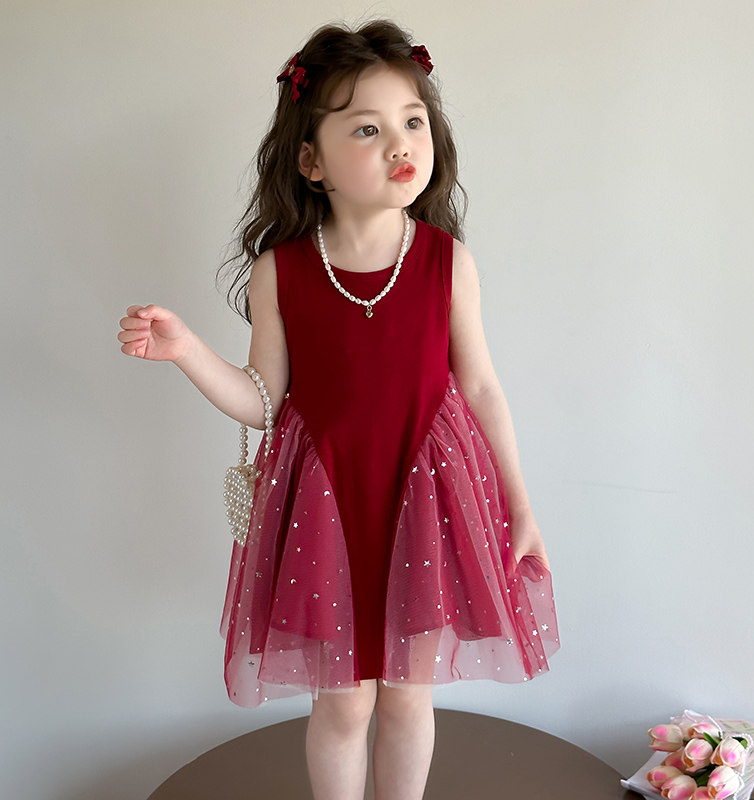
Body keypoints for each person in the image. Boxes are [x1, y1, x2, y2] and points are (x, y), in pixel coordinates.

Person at [118, 19, 559, 800]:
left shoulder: (445, 262)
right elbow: (262, 401)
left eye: (413, 121)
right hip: (327, 508)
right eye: (367, 128)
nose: (401, 144)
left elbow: (483, 389)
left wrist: (520, 507)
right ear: (310, 160)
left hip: (423, 503)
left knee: (409, 695)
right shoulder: (281, 272)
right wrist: (186, 351)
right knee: (344, 703)